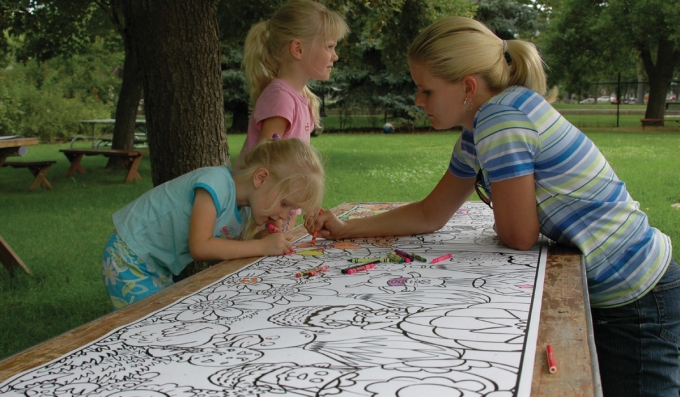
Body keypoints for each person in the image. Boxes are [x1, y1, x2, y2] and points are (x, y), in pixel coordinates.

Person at [305, 16, 678, 397]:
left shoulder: (502, 121)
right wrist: (347, 229)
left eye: (426, 90)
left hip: (637, 293)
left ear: (468, 87)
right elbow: (430, 213)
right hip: (620, 285)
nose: (417, 101)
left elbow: (518, 235)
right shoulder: (479, 129)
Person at [102, 138, 324, 310]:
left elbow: (227, 247)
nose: (285, 216)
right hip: (130, 254)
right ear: (261, 178)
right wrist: (262, 247)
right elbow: (201, 247)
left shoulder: (245, 210)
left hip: (157, 263)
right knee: (146, 324)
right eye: (284, 204)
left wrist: (258, 239)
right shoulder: (215, 184)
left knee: (164, 316)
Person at [235, 0, 348, 230]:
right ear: (298, 49)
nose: (334, 56)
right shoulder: (281, 98)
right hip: (264, 212)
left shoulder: (299, 97)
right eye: (329, 47)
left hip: (280, 207)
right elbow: (265, 159)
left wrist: (307, 201)